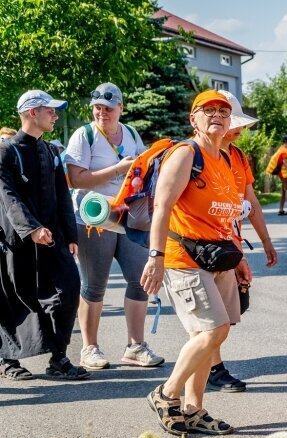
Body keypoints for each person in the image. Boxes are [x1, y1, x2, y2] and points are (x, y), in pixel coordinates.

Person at [141, 90, 243, 436]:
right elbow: (162, 207)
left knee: (209, 336)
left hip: (219, 256)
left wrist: (239, 257)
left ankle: (193, 410)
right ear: (193, 119)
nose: (217, 115)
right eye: (208, 110)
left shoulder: (226, 158)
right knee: (215, 330)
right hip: (185, 258)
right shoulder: (187, 154)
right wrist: (155, 257)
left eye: (223, 111)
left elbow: (227, 216)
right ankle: (166, 394)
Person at [65, 82, 164, 369]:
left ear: (120, 107)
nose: (102, 113)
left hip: (128, 216)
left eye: (108, 108)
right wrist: (119, 169)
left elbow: (145, 166)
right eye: (97, 108)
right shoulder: (84, 136)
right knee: (94, 285)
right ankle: (89, 348)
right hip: (93, 218)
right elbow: (76, 179)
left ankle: (135, 346)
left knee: (139, 279)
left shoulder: (131, 133)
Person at [0, 90, 87, 381]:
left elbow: (63, 194)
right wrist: (31, 228)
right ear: (31, 113)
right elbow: (8, 196)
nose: (55, 115)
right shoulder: (6, 151)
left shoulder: (51, 151)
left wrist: (69, 233)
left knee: (68, 290)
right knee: (15, 296)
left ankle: (58, 358)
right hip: (17, 238)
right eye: (49, 110)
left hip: (53, 237)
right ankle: (8, 360)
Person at [206, 89, 279, 392]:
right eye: (234, 123)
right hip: (205, 245)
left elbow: (251, 201)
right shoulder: (200, 155)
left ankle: (207, 365)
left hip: (229, 244)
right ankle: (212, 368)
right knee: (213, 316)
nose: (238, 130)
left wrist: (265, 241)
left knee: (230, 310)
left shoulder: (237, 156)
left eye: (235, 122)